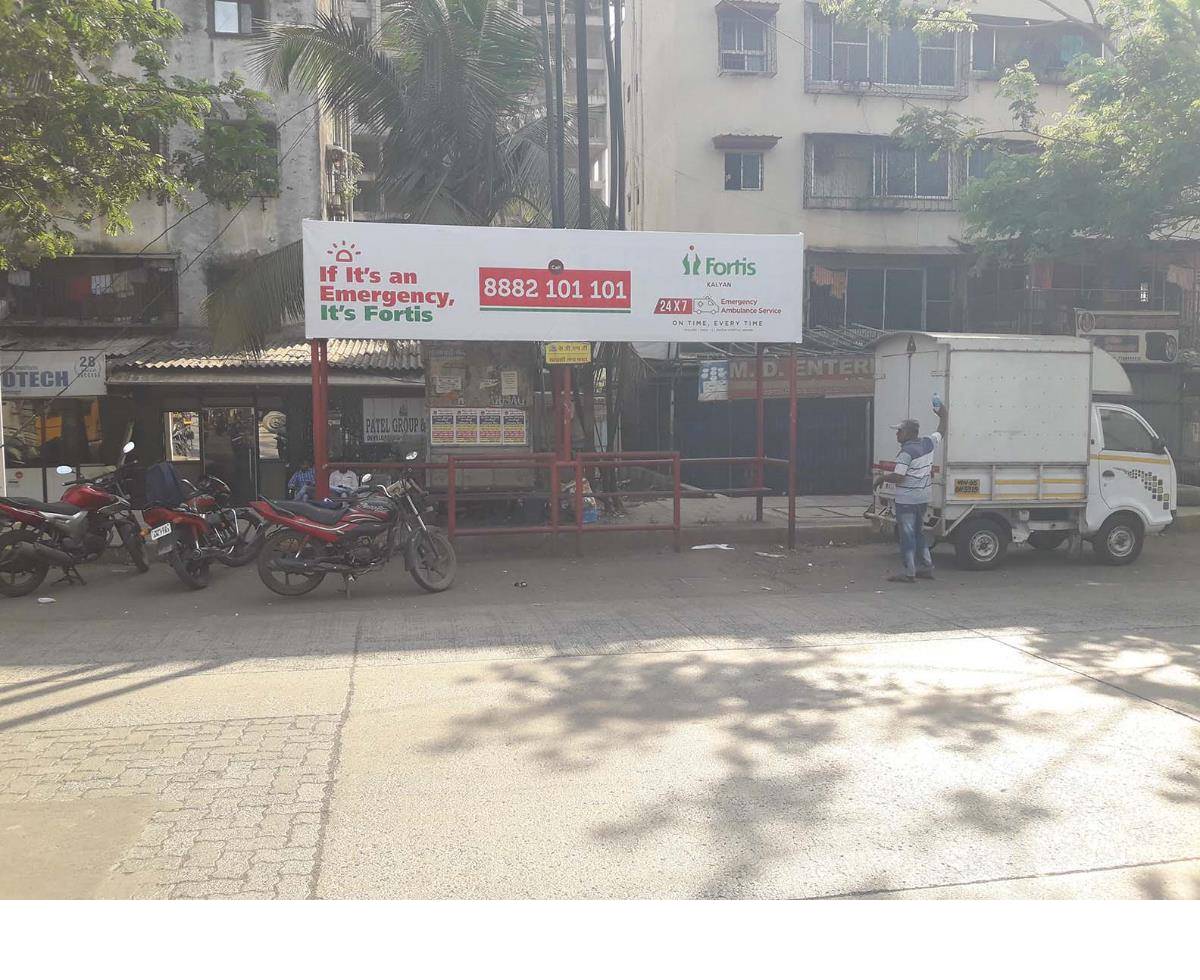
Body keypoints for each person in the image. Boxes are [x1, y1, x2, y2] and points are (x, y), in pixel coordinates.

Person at [874, 401, 948, 583]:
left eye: (899, 431)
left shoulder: (906, 452)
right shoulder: (927, 443)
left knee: (907, 536)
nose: (897, 434)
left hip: (907, 500)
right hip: (923, 499)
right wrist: (943, 415)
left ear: (908, 433)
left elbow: (899, 477)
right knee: (918, 533)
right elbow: (942, 431)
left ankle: (909, 572)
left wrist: (881, 479)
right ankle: (927, 568)